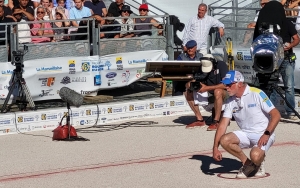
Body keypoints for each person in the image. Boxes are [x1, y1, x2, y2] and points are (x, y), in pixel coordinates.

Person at [213, 70, 281, 178]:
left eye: (229, 85)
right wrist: (215, 148)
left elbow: (276, 114)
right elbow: (222, 125)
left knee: (255, 155)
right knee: (224, 140)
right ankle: (248, 164)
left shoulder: (257, 93)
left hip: (264, 134)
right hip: (245, 133)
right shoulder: (230, 101)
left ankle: (259, 161)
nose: (226, 87)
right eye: (225, 85)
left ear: (239, 84)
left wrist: (267, 134)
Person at [184, 53, 228, 131]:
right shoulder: (202, 67)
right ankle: (199, 120)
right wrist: (191, 85)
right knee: (188, 91)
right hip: (208, 91)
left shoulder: (221, 65)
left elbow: (225, 85)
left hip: (223, 92)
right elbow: (197, 79)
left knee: (218, 91)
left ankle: (216, 121)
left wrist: (207, 88)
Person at [269, 9, 300, 120]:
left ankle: (290, 112)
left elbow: (297, 39)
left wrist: (290, 45)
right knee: (271, 85)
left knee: (289, 86)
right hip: (273, 59)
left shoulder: (287, 23)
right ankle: (271, 111)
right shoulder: (269, 24)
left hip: (286, 58)